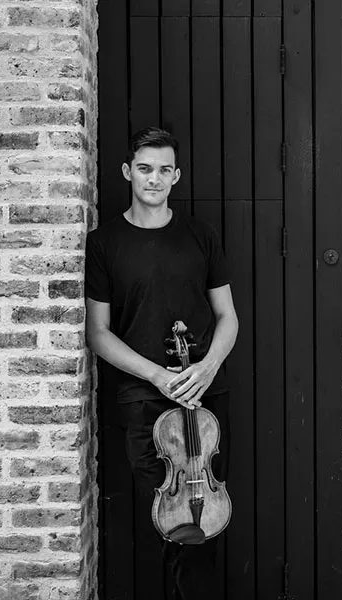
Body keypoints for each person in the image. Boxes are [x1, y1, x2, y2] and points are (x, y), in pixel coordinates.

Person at [84, 126, 238, 600]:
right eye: (145, 169)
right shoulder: (104, 243)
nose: (155, 178)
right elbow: (98, 333)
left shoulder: (199, 235)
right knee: (169, 521)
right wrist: (155, 374)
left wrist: (208, 367)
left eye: (164, 169)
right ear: (128, 172)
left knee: (205, 522)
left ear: (176, 175)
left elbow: (227, 317)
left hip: (204, 396)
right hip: (144, 399)